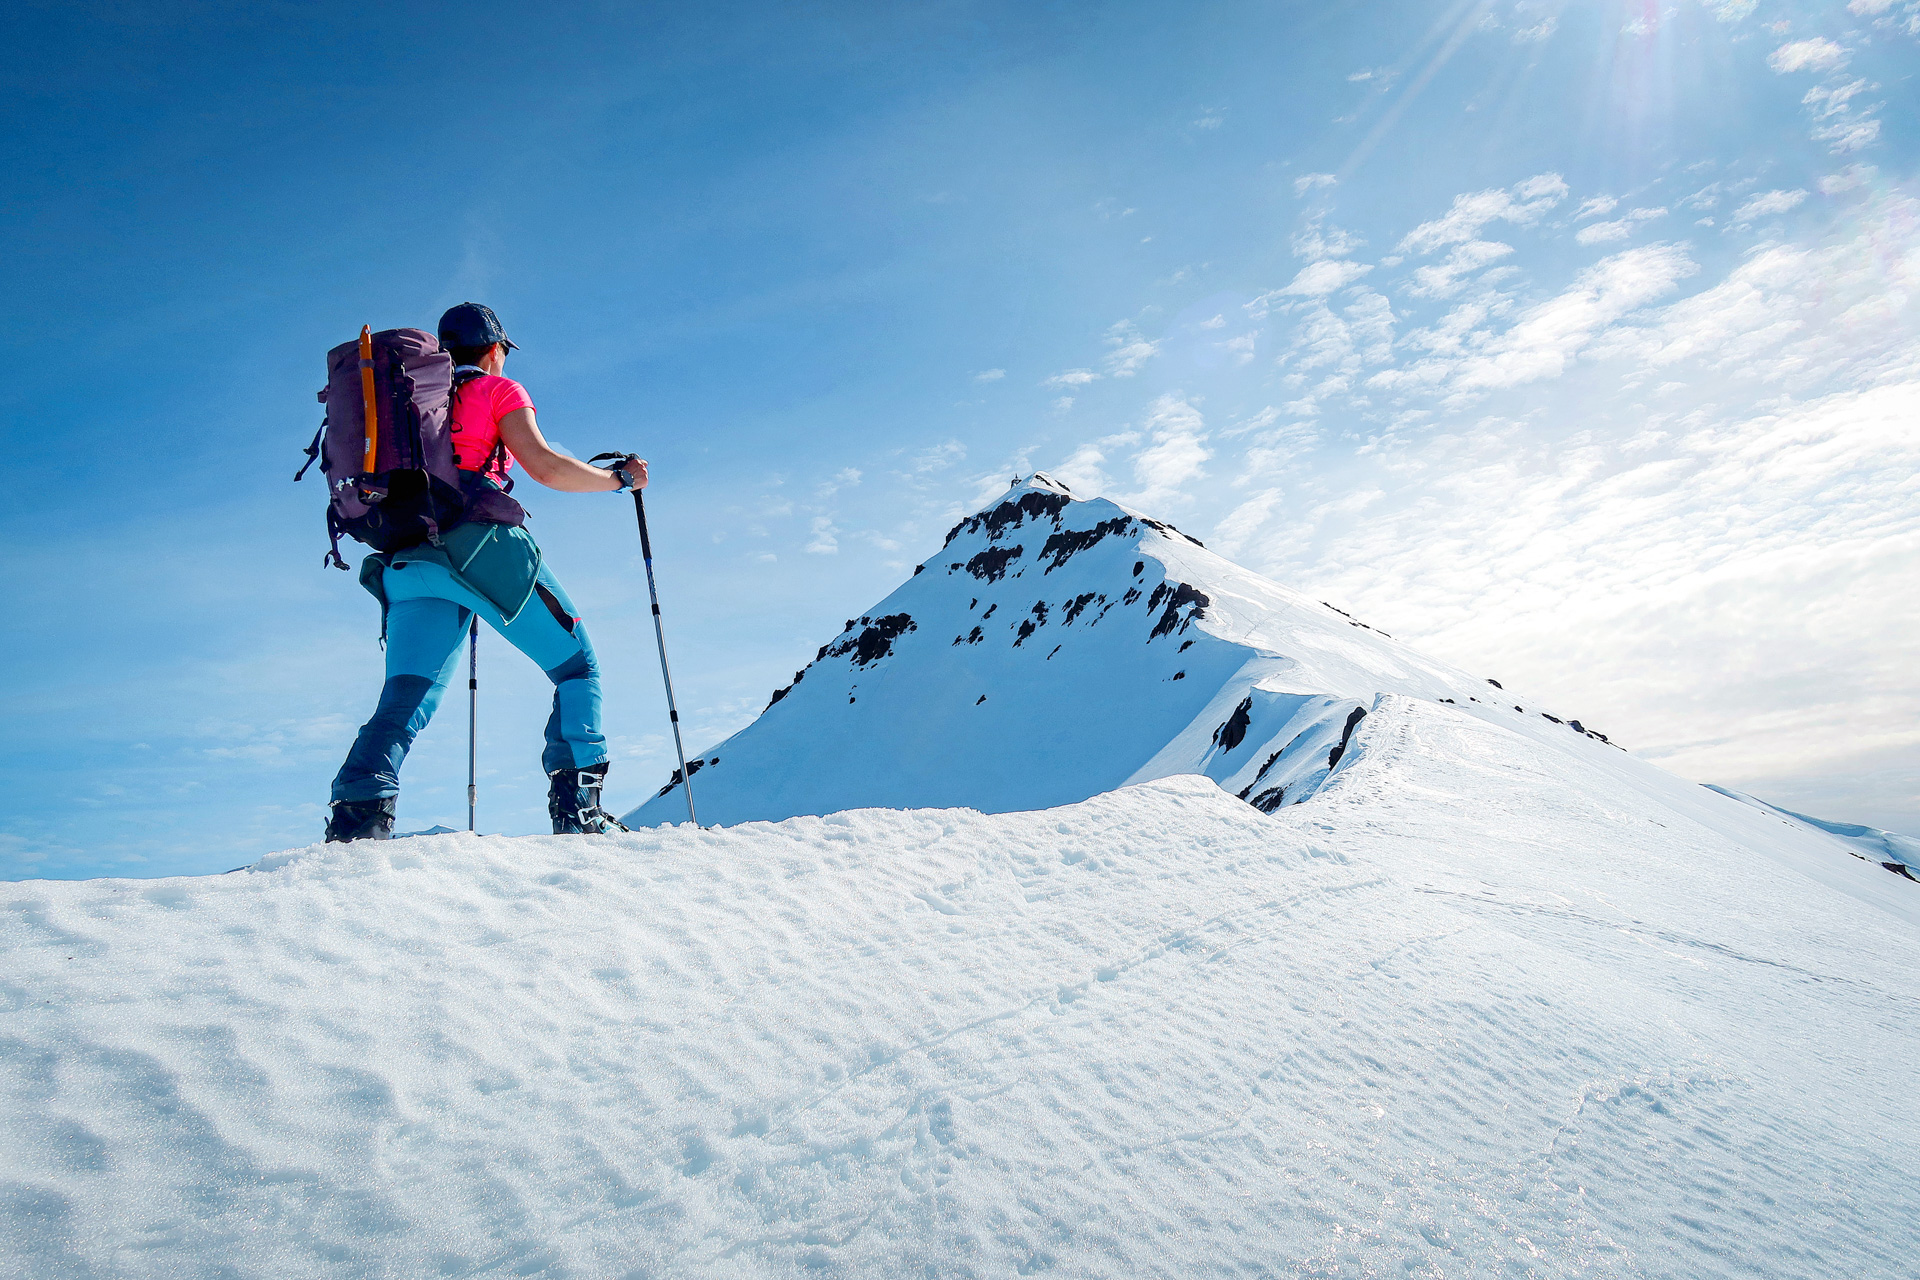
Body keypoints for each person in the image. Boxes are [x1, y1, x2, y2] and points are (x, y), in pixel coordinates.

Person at [325, 303, 647, 841]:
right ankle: (579, 813)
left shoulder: (409, 402)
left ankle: (358, 818)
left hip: (404, 556)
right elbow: (544, 466)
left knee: (406, 697)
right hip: (478, 548)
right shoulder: (497, 390)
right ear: (495, 349)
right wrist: (619, 480)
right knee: (577, 670)